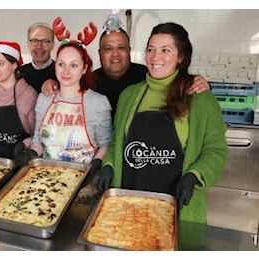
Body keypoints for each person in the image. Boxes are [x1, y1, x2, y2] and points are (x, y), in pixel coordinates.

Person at [95, 22, 228, 224]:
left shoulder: (200, 98)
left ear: (181, 57)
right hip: (128, 208)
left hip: (178, 212)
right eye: (151, 50)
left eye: (165, 50)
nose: (156, 57)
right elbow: (116, 142)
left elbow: (216, 150)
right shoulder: (129, 95)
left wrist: (194, 176)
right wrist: (109, 164)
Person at [18, 17, 113, 203]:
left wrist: (96, 164)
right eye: (61, 64)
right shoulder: (45, 98)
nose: (66, 71)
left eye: (74, 65)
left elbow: (105, 144)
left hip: (84, 190)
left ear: (84, 68)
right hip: (46, 186)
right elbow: (38, 139)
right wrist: (31, 153)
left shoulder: (98, 103)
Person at [42, 27, 211, 120]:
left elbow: (174, 81)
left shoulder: (149, 76)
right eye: (108, 49)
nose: (115, 54)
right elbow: (67, 89)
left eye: (121, 48)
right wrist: (53, 84)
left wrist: (199, 83)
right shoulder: (88, 81)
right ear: (99, 53)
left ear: (129, 51)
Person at [20, 22, 57, 94]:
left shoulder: (63, 73)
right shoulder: (19, 74)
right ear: (28, 44)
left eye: (45, 41)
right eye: (34, 41)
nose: (39, 46)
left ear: (52, 45)